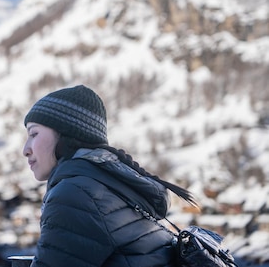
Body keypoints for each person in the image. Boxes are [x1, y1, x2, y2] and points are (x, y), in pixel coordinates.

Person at [22, 84, 196, 267]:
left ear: (65, 135)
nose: (26, 149)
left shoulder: (75, 195)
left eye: (34, 134)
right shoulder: (110, 185)